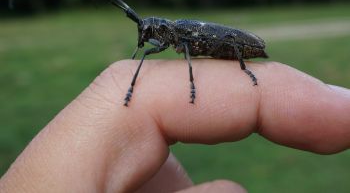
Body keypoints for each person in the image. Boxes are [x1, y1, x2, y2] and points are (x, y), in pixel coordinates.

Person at [0, 60, 349, 192]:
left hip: (236, 45)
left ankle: (241, 66)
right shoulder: (162, 40)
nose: (145, 40)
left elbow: (190, 56)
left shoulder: (180, 35)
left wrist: (195, 85)